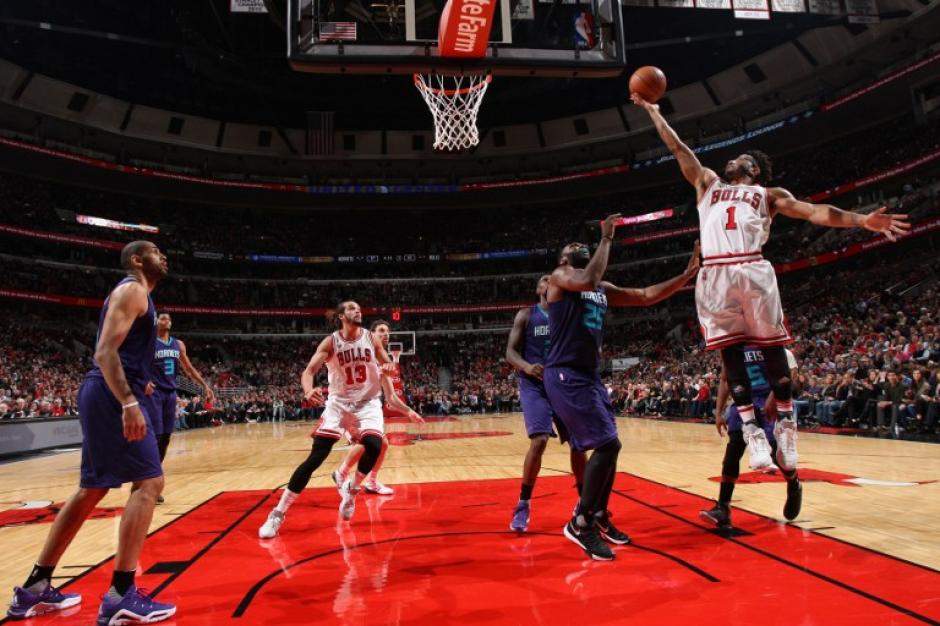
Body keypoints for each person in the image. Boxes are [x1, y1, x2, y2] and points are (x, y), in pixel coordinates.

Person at [632, 93, 909, 472]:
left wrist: (861, 220)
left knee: (775, 356)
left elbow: (815, 212)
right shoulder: (707, 184)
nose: (732, 159)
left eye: (741, 158)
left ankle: (786, 427)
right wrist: (653, 112)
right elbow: (678, 148)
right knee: (731, 359)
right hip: (715, 272)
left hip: (751, 266)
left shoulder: (768, 195)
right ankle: (753, 432)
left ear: (754, 170)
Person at [7, 241, 176, 624]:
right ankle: (121, 594)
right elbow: (105, 352)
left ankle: (35, 587)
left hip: (107, 391)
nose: (163, 255)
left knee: (92, 490)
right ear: (137, 260)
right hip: (112, 394)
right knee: (150, 483)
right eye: (154, 250)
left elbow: (123, 352)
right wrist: (129, 401)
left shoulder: (140, 297)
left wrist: (142, 382)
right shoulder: (133, 290)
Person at [545, 215, 700, 560]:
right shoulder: (562, 277)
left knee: (611, 447)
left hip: (589, 376)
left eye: (583, 244)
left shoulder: (601, 288)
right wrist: (606, 239)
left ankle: (598, 514)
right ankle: (581, 522)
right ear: (564, 259)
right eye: (573, 245)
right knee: (607, 444)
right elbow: (588, 278)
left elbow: (644, 296)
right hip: (566, 374)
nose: (579, 244)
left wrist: (686, 276)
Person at [258, 302, 422, 539]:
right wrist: (308, 390)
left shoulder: (370, 338)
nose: (358, 311)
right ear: (342, 316)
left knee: (375, 444)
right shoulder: (331, 342)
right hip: (339, 405)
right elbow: (308, 371)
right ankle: (278, 513)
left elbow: (386, 361)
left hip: (367, 404)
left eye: (359, 309)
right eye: (353, 308)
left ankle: (352, 490)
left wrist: (388, 366)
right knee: (316, 457)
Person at [505, 275, 586, 533]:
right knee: (539, 440)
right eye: (544, 279)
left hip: (561, 383)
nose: (550, 280)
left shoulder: (567, 315)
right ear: (539, 288)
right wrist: (527, 367)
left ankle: (585, 503)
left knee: (578, 443)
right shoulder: (526, 315)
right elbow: (510, 352)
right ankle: (523, 504)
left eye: (553, 278)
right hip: (534, 384)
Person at [701, 346, 801, 529]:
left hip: (769, 398)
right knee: (734, 448)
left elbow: (790, 376)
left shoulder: (772, 344)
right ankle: (723, 507)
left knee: (775, 452)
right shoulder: (732, 347)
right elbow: (725, 379)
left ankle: (793, 483)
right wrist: (719, 412)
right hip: (743, 401)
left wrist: (774, 396)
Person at [331, 320, 423, 496]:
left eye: (388, 331)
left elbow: (391, 397)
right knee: (368, 442)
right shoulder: (357, 353)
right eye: (381, 330)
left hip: (366, 411)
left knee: (383, 443)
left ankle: (371, 481)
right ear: (371, 335)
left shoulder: (382, 363)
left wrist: (410, 412)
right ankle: (341, 473)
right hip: (347, 408)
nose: (386, 334)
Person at [149, 311, 214, 504]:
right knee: (155, 438)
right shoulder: (149, 342)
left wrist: (204, 385)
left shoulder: (178, 344)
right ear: (156, 321)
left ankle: (152, 480)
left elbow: (189, 368)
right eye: (163, 318)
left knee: (165, 439)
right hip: (154, 393)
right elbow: (138, 364)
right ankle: (148, 484)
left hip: (171, 394)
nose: (166, 320)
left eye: (169, 318)